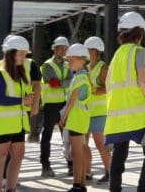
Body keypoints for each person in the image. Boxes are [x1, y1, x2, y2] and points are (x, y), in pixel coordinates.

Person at [104, 11, 145, 192]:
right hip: (137, 116)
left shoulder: (117, 55)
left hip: (117, 117)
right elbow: (143, 81)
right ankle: (142, 189)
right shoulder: (139, 51)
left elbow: (109, 84)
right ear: (139, 32)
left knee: (119, 156)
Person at [0, 34, 33, 192]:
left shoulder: (21, 73)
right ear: (10, 53)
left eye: (25, 54)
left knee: (18, 156)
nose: (24, 56)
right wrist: (23, 100)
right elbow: (0, 99)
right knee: (0, 158)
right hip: (2, 125)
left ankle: (11, 189)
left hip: (18, 124)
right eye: (21, 53)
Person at [61, 43, 93, 192]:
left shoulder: (79, 79)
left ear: (82, 60)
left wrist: (63, 118)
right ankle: (82, 184)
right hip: (80, 120)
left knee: (76, 154)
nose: (69, 63)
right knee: (78, 153)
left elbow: (71, 102)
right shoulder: (81, 77)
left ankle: (77, 185)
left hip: (76, 121)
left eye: (71, 60)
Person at [39, 35, 72, 177]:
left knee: (68, 134)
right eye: (61, 49)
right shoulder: (47, 65)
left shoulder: (67, 63)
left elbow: (70, 80)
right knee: (47, 134)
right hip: (51, 104)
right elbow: (53, 83)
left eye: (65, 49)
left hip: (65, 102)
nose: (64, 51)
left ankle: (71, 164)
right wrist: (66, 82)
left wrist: (62, 83)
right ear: (55, 49)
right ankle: (45, 165)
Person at [84, 35, 111, 183]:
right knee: (83, 144)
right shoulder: (86, 68)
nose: (87, 52)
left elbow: (109, 88)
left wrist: (94, 91)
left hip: (99, 112)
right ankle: (87, 172)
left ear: (96, 51)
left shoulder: (103, 67)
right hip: (86, 112)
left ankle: (109, 172)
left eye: (89, 49)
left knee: (100, 144)